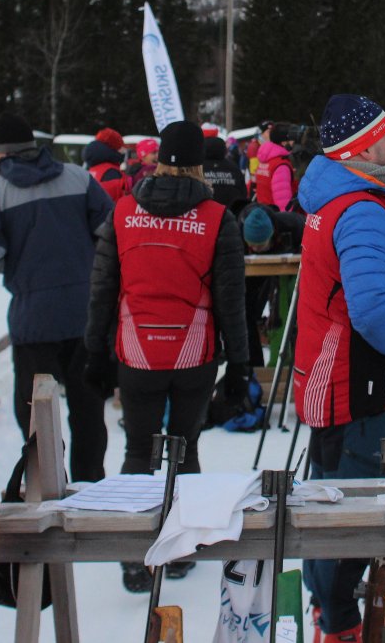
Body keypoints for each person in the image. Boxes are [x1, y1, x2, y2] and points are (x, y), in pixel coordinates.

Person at [292, 94, 385, 643]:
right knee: (352, 514)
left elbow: (352, 271)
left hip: (330, 380)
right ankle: (340, 622)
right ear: (363, 148)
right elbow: (372, 307)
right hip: (356, 385)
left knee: (326, 497)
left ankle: (326, 608)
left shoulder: (340, 197)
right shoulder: (362, 209)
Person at [83, 120, 252, 593]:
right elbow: (230, 301)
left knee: (138, 449)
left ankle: (134, 557)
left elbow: (102, 290)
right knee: (185, 449)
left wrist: (94, 351)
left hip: (135, 354)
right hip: (194, 354)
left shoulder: (121, 213)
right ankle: (178, 551)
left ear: (156, 161)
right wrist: (238, 364)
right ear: (202, 163)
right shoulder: (219, 219)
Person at [0, 111, 114, 482]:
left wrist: (18, 266)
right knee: (88, 409)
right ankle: (90, 485)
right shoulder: (78, 178)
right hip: (84, 313)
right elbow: (109, 230)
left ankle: (47, 484)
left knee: (35, 413)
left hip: (33, 320)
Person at [238, 201, 306, 366]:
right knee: (246, 312)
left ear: (271, 234)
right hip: (251, 274)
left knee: (292, 309)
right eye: (251, 245)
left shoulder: (292, 225)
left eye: (260, 245)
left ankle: (294, 362)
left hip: (287, 270)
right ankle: (254, 367)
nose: (255, 249)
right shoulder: (236, 233)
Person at [83, 126, 130, 203]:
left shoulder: (92, 168)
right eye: (121, 148)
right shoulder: (111, 172)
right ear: (114, 148)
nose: (123, 151)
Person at [254, 127, 297, 211]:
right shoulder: (281, 165)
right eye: (291, 140)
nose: (293, 143)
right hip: (275, 217)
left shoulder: (265, 160)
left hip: (263, 212)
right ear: (284, 142)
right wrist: (287, 220)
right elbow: (283, 201)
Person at [203, 133, 248, 213]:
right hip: (231, 213)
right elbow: (243, 192)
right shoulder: (233, 168)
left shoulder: (198, 168)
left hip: (206, 215)